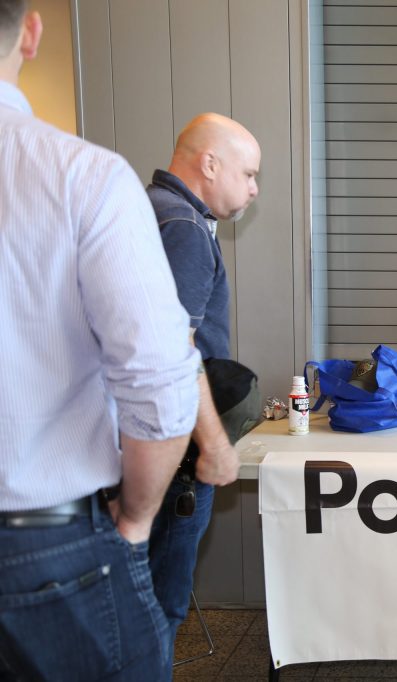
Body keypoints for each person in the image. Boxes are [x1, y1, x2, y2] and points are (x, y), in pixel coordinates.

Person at [0, 1, 201, 679]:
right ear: (32, 32)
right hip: (44, 551)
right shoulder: (80, 177)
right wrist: (136, 519)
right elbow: (160, 382)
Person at [145, 112, 259, 648]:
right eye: (249, 173)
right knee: (160, 608)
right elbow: (174, 350)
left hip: (141, 442)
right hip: (174, 452)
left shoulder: (150, 208)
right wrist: (212, 444)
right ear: (210, 164)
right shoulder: (184, 228)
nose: (254, 189)